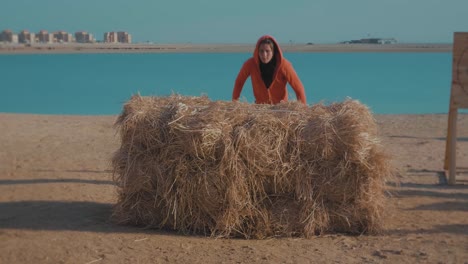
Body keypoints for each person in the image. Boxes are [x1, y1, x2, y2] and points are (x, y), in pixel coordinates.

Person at [232, 35, 307, 104]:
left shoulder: (284, 65)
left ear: (273, 52)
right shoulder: (250, 64)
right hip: (260, 108)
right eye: (261, 51)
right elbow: (239, 82)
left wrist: (303, 110)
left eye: (267, 51)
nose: (264, 55)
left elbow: (298, 88)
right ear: (257, 52)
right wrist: (234, 103)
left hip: (281, 108)